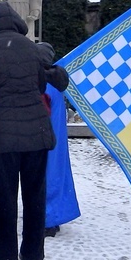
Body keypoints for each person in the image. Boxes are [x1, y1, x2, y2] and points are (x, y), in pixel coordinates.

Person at [0, 2, 68, 260]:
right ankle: (33, 254)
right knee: (35, 193)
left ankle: (7, 255)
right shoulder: (31, 48)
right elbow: (43, 83)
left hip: (4, 135)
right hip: (37, 131)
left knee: (6, 194)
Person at [37, 43, 81, 236]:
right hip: (58, 139)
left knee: (45, 177)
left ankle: (48, 220)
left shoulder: (42, 85)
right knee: (58, 175)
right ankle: (56, 216)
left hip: (44, 138)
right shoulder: (57, 81)